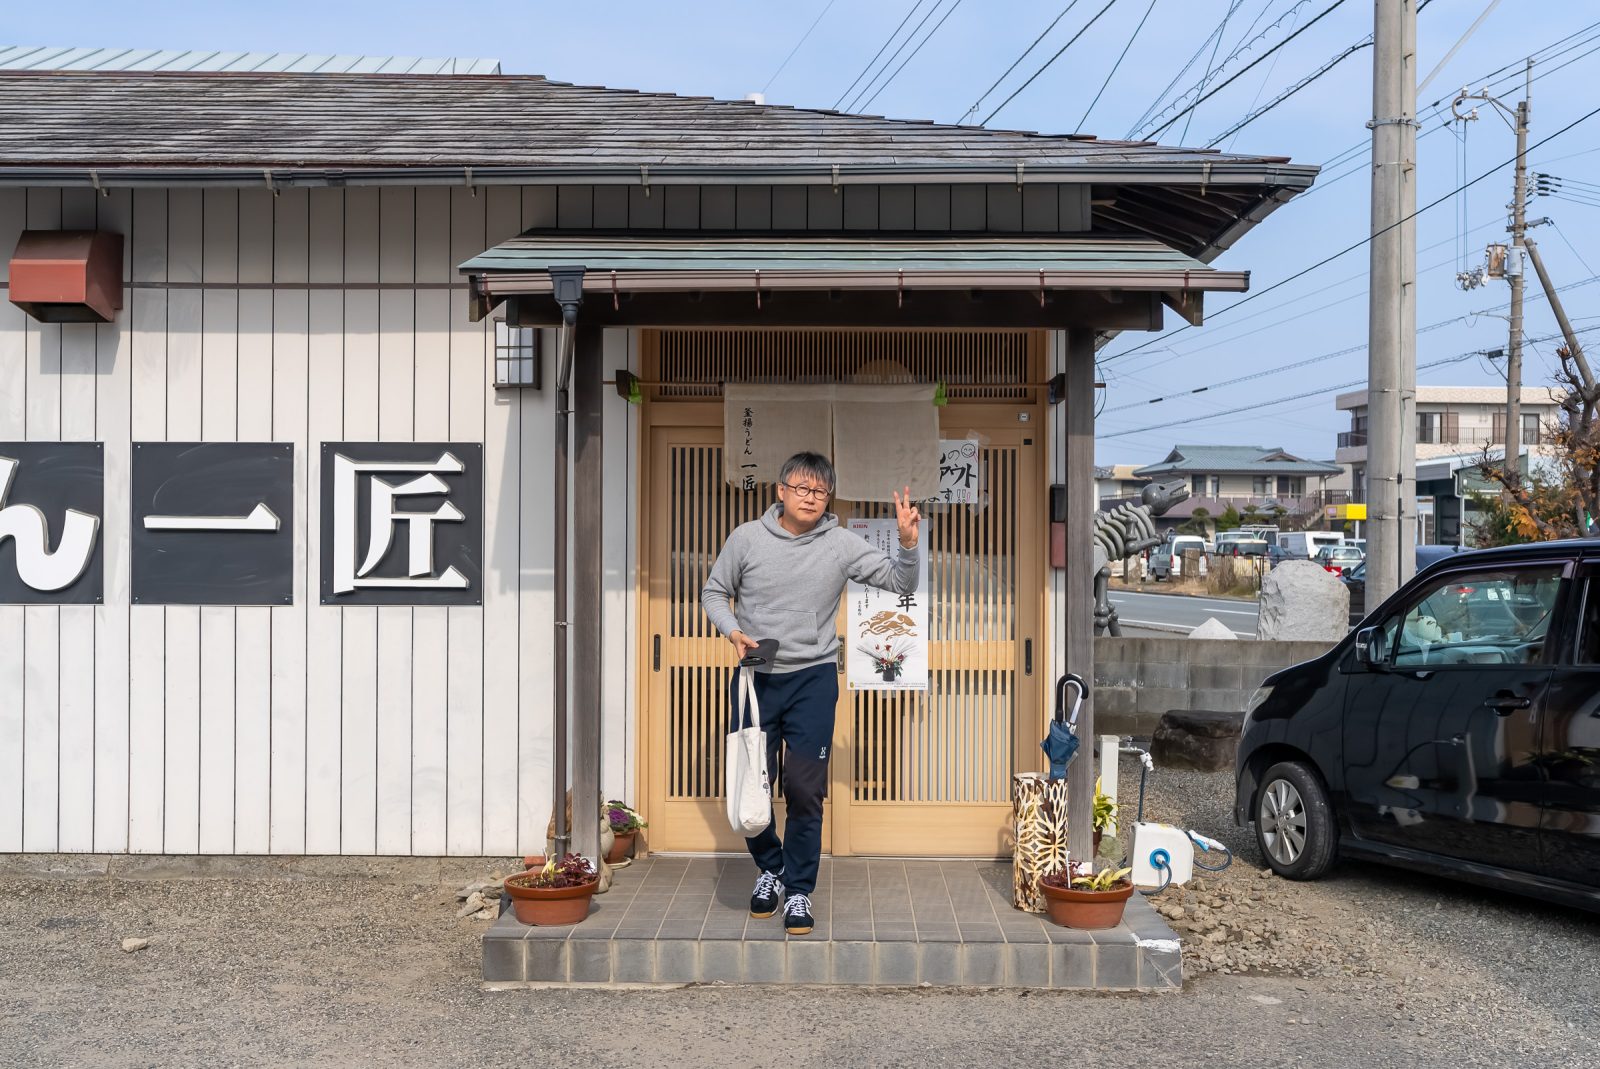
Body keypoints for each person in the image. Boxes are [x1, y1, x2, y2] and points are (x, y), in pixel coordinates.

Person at [701, 451, 921, 935]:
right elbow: (714, 592)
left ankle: (798, 889)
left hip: (813, 679)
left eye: (820, 491)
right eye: (801, 488)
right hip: (756, 677)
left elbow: (900, 580)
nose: (810, 497)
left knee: (804, 789)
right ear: (780, 490)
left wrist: (908, 544)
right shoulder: (747, 538)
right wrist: (732, 631)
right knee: (752, 786)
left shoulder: (840, 544)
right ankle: (771, 869)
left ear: (828, 498)